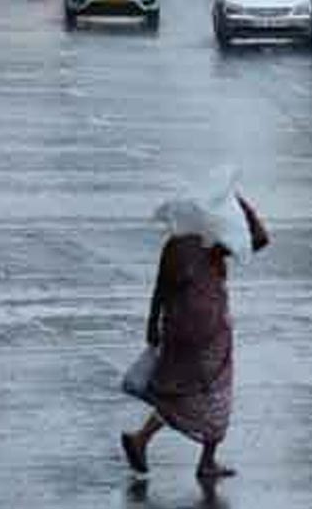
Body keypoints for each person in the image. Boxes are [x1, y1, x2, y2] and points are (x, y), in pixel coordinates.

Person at [121, 193, 269, 481]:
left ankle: (142, 439)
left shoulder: (174, 247)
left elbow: (160, 288)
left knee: (181, 390)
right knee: (215, 392)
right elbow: (260, 239)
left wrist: (152, 324)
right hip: (209, 334)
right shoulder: (212, 245)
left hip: (176, 329)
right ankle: (203, 460)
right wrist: (244, 206)